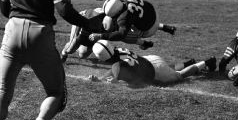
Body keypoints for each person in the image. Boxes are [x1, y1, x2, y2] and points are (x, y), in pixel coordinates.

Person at [88, 40, 216, 87]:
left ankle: (208, 62)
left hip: (155, 69)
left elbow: (117, 71)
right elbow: (116, 68)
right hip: (150, 59)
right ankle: (188, 62)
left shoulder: (118, 64)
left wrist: (113, 80)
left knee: (179, 75)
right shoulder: (117, 50)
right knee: (168, 68)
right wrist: (100, 79)